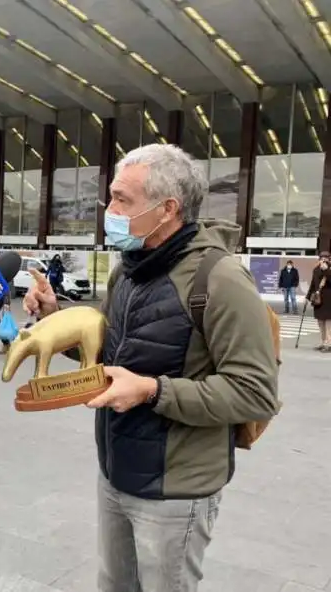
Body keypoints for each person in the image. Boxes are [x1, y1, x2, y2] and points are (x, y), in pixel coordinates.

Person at [23, 144, 279, 592]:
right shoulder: (129, 270)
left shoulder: (219, 279)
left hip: (177, 489)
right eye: (111, 198)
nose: (110, 209)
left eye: (122, 199)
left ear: (167, 210)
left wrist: (151, 391)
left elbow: (256, 393)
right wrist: (53, 316)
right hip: (116, 471)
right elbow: (110, 356)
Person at [307, 251, 331, 351]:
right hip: (318, 299)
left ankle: (329, 344)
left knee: (328, 322)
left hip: (329, 299)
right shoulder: (316, 269)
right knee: (320, 322)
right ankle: (323, 342)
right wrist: (307, 297)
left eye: (326, 258)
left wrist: (326, 270)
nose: (323, 259)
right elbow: (313, 284)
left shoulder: (329, 269)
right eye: (322, 258)